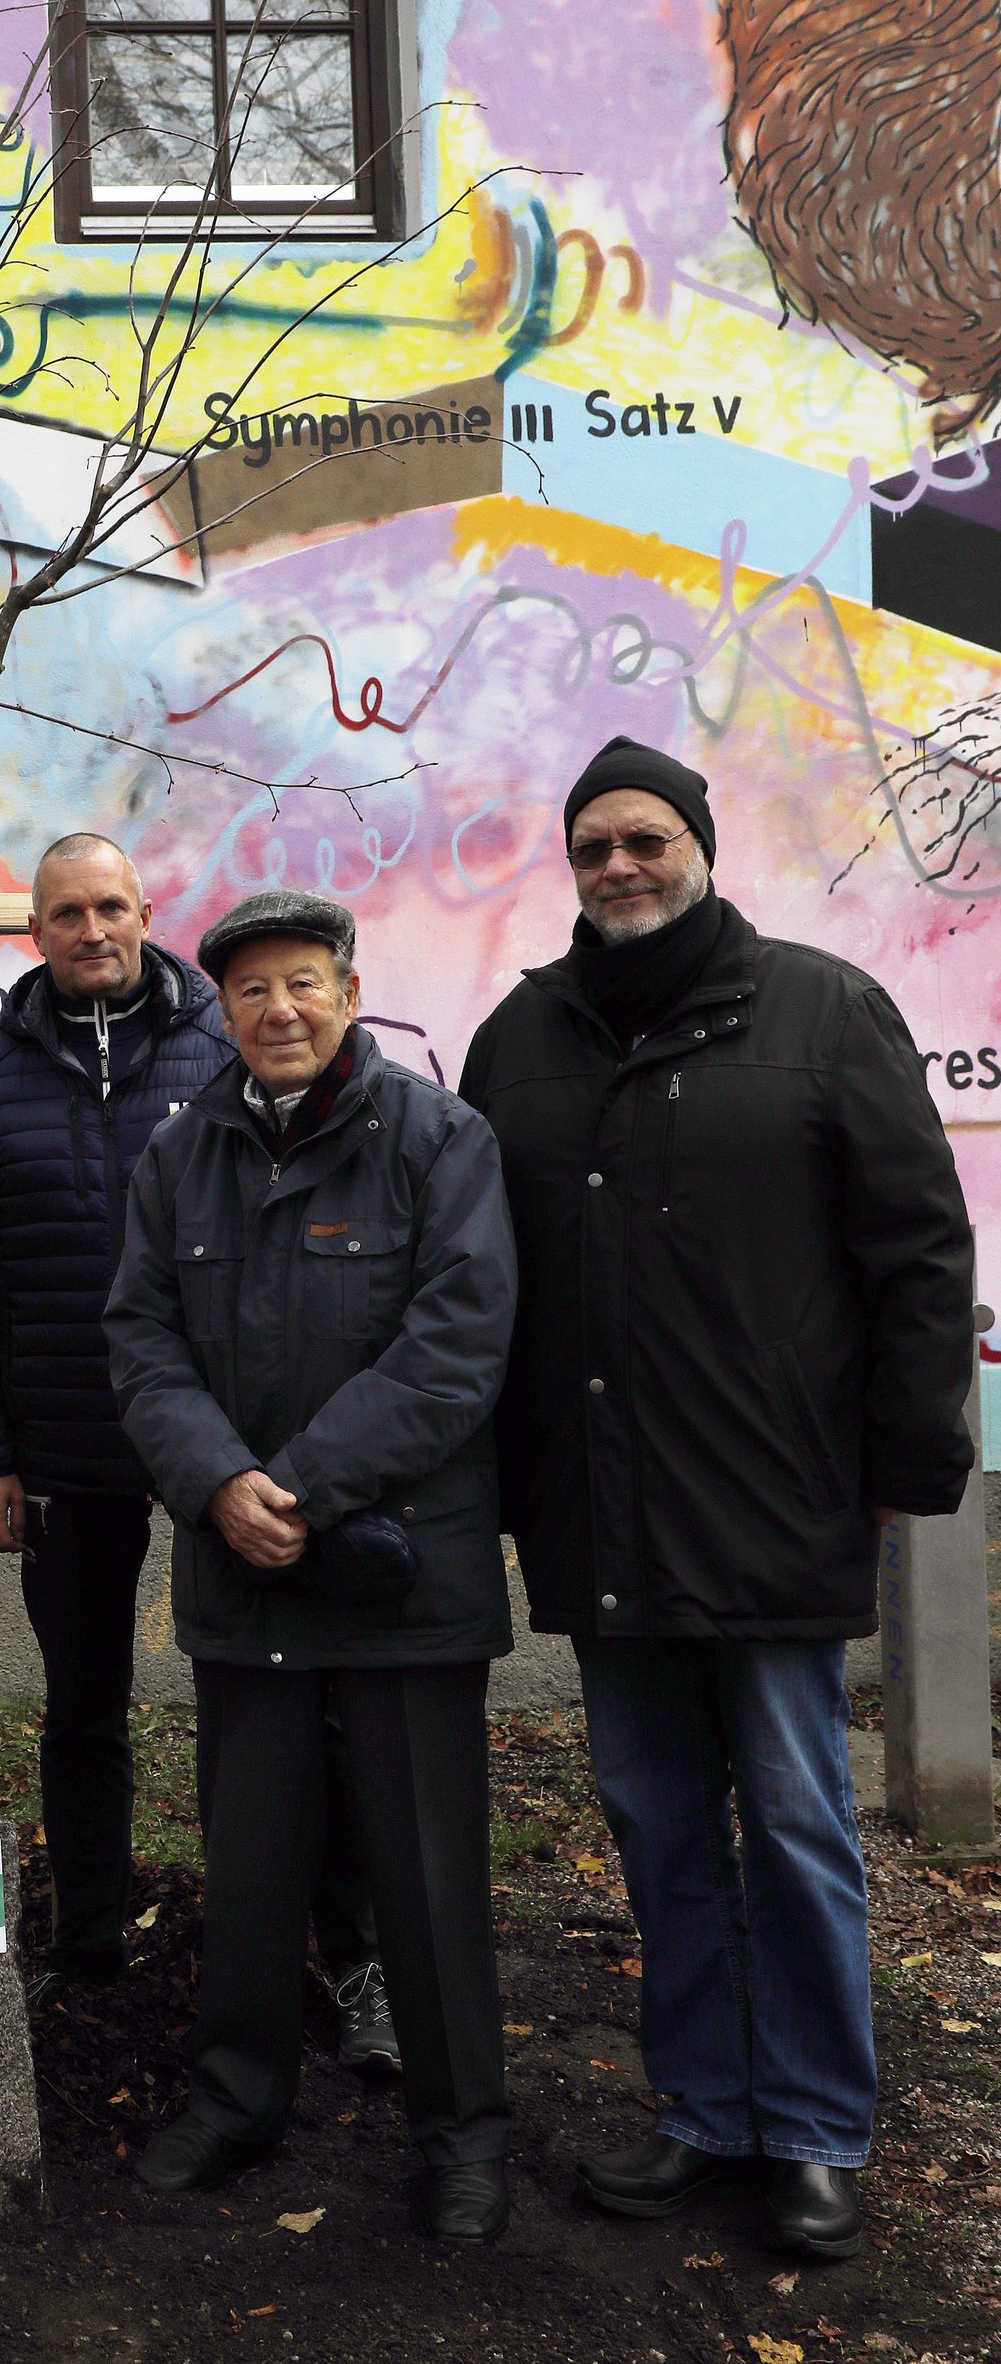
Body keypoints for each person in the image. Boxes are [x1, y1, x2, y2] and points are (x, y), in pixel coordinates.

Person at [460, 737, 977, 2265]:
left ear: (699, 841)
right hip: (600, 1510)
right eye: (594, 845)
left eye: (646, 837)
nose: (620, 864)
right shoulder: (522, 1037)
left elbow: (920, 1251)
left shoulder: (822, 1009)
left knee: (802, 1820)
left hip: (772, 1503)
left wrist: (904, 1466)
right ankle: (703, 2104)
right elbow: (479, 1280)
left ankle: (817, 2126)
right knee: (657, 1822)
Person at [0, 835, 399, 2072]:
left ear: (146, 914)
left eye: (111, 906)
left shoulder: (219, 1049)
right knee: (81, 1708)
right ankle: (86, 1947)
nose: (92, 930)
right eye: (66, 912)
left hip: (229, 1446)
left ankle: (344, 1948)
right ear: (32, 931)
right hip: (63, 1446)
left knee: (294, 1696)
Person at [106, 888, 517, 2242]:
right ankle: (237, 2097)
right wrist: (221, 1483)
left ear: (348, 988)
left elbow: (457, 1342)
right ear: (221, 1011)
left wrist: (300, 1483)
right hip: (246, 1573)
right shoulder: (182, 1156)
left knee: (429, 1877)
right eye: (248, 991)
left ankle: (463, 2134)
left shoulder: (439, 1138)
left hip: (405, 1576)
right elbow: (143, 1340)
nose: (276, 1010)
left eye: (301, 983)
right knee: (253, 1861)